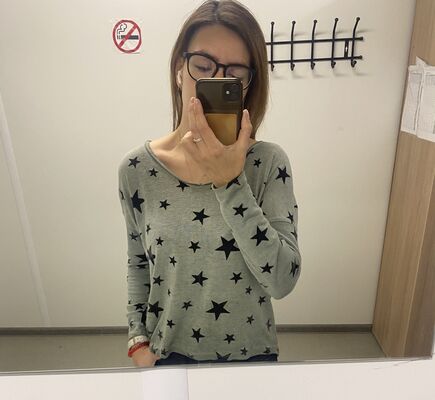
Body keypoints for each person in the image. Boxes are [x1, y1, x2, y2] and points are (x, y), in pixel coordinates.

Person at [118, 0, 302, 368]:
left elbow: (282, 280)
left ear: (248, 86)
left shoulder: (268, 163)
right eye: (203, 66)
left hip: (251, 357)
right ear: (178, 70)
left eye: (234, 73)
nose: (216, 80)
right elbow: (139, 262)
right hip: (167, 355)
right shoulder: (137, 169)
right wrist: (138, 342)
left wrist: (230, 182)